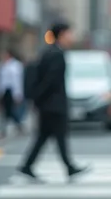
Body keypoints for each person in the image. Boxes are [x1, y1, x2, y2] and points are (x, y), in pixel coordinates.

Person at [17, 22, 88, 181]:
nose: (72, 37)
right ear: (62, 34)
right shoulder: (56, 54)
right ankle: (68, 167)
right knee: (58, 136)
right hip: (53, 105)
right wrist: (40, 98)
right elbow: (50, 81)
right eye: (70, 33)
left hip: (48, 104)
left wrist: (38, 99)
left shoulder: (49, 52)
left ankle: (28, 165)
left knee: (44, 137)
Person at [0, 49, 25, 139]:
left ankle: (3, 130)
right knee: (7, 111)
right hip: (4, 91)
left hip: (12, 91)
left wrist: (18, 94)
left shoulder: (16, 66)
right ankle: (18, 126)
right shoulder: (1, 65)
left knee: (8, 111)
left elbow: (17, 81)